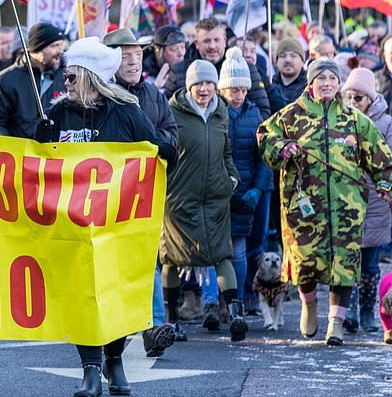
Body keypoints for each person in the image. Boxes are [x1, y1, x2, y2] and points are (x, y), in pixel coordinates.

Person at [35, 38, 176, 397]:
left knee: (113, 295)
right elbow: (35, 164)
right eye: (64, 77)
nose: (64, 84)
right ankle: (90, 370)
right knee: (82, 296)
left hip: (117, 225)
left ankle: (114, 359)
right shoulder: (55, 116)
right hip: (71, 226)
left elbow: (164, 152)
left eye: (70, 78)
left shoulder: (125, 112)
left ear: (90, 77)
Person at [260, 58, 392, 345]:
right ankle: (309, 305)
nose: (328, 84)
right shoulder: (292, 115)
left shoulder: (355, 119)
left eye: (333, 79)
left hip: (348, 209)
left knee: (343, 265)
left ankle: (336, 323)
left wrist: (384, 183)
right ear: (311, 82)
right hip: (303, 209)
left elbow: (381, 156)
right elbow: (265, 137)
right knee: (305, 263)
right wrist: (283, 147)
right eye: (321, 79)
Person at [163, 59, 248, 347]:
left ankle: (235, 315)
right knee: (172, 258)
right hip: (178, 200)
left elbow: (226, 154)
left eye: (209, 83)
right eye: (198, 83)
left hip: (214, 199)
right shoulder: (172, 112)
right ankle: (171, 318)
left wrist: (232, 180)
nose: (204, 88)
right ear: (189, 86)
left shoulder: (221, 113)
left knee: (222, 254)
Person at [339, 69, 392, 334]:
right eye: (348, 97)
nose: (353, 103)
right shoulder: (340, 120)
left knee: (369, 264)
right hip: (345, 199)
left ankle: (368, 311)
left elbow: (388, 160)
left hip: (375, 200)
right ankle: (347, 310)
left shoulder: (386, 123)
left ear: (370, 98)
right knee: (347, 259)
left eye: (358, 98)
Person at [219, 48, 269, 327]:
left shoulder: (255, 116)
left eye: (241, 89)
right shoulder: (216, 114)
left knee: (238, 249)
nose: (237, 95)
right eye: (231, 89)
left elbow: (262, 157)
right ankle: (216, 303)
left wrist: (258, 190)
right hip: (219, 188)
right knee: (215, 250)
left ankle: (235, 302)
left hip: (246, 191)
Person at [165, 18, 270, 118]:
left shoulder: (245, 68)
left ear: (224, 41)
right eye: (206, 41)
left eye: (216, 40)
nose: (212, 46)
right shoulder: (179, 71)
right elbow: (167, 111)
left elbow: (263, 110)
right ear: (197, 44)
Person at [0, 22, 66, 139]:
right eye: (54, 46)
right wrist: (13, 147)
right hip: (20, 154)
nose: (60, 51)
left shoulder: (67, 77)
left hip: (58, 154)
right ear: (37, 49)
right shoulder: (6, 79)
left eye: (61, 45)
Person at [104, 29, 178, 147]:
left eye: (138, 54)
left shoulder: (155, 95)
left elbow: (173, 138)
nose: (134, 61)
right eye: (124, 56)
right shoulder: (98, 96)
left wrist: (149, 137)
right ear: (109, 61)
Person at [268, 37, 307, 112]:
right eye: (282, 56)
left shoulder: (309, 87)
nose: (287, 60)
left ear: (302, 61)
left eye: (293, 56)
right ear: (276, 61)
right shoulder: (270, 86)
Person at [143, 25, 186, 93]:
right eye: (174, 49)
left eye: (183, 47)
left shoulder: (191, 72)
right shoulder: (144, 79)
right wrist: (155, 87)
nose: (181, 54)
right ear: (159, 52)